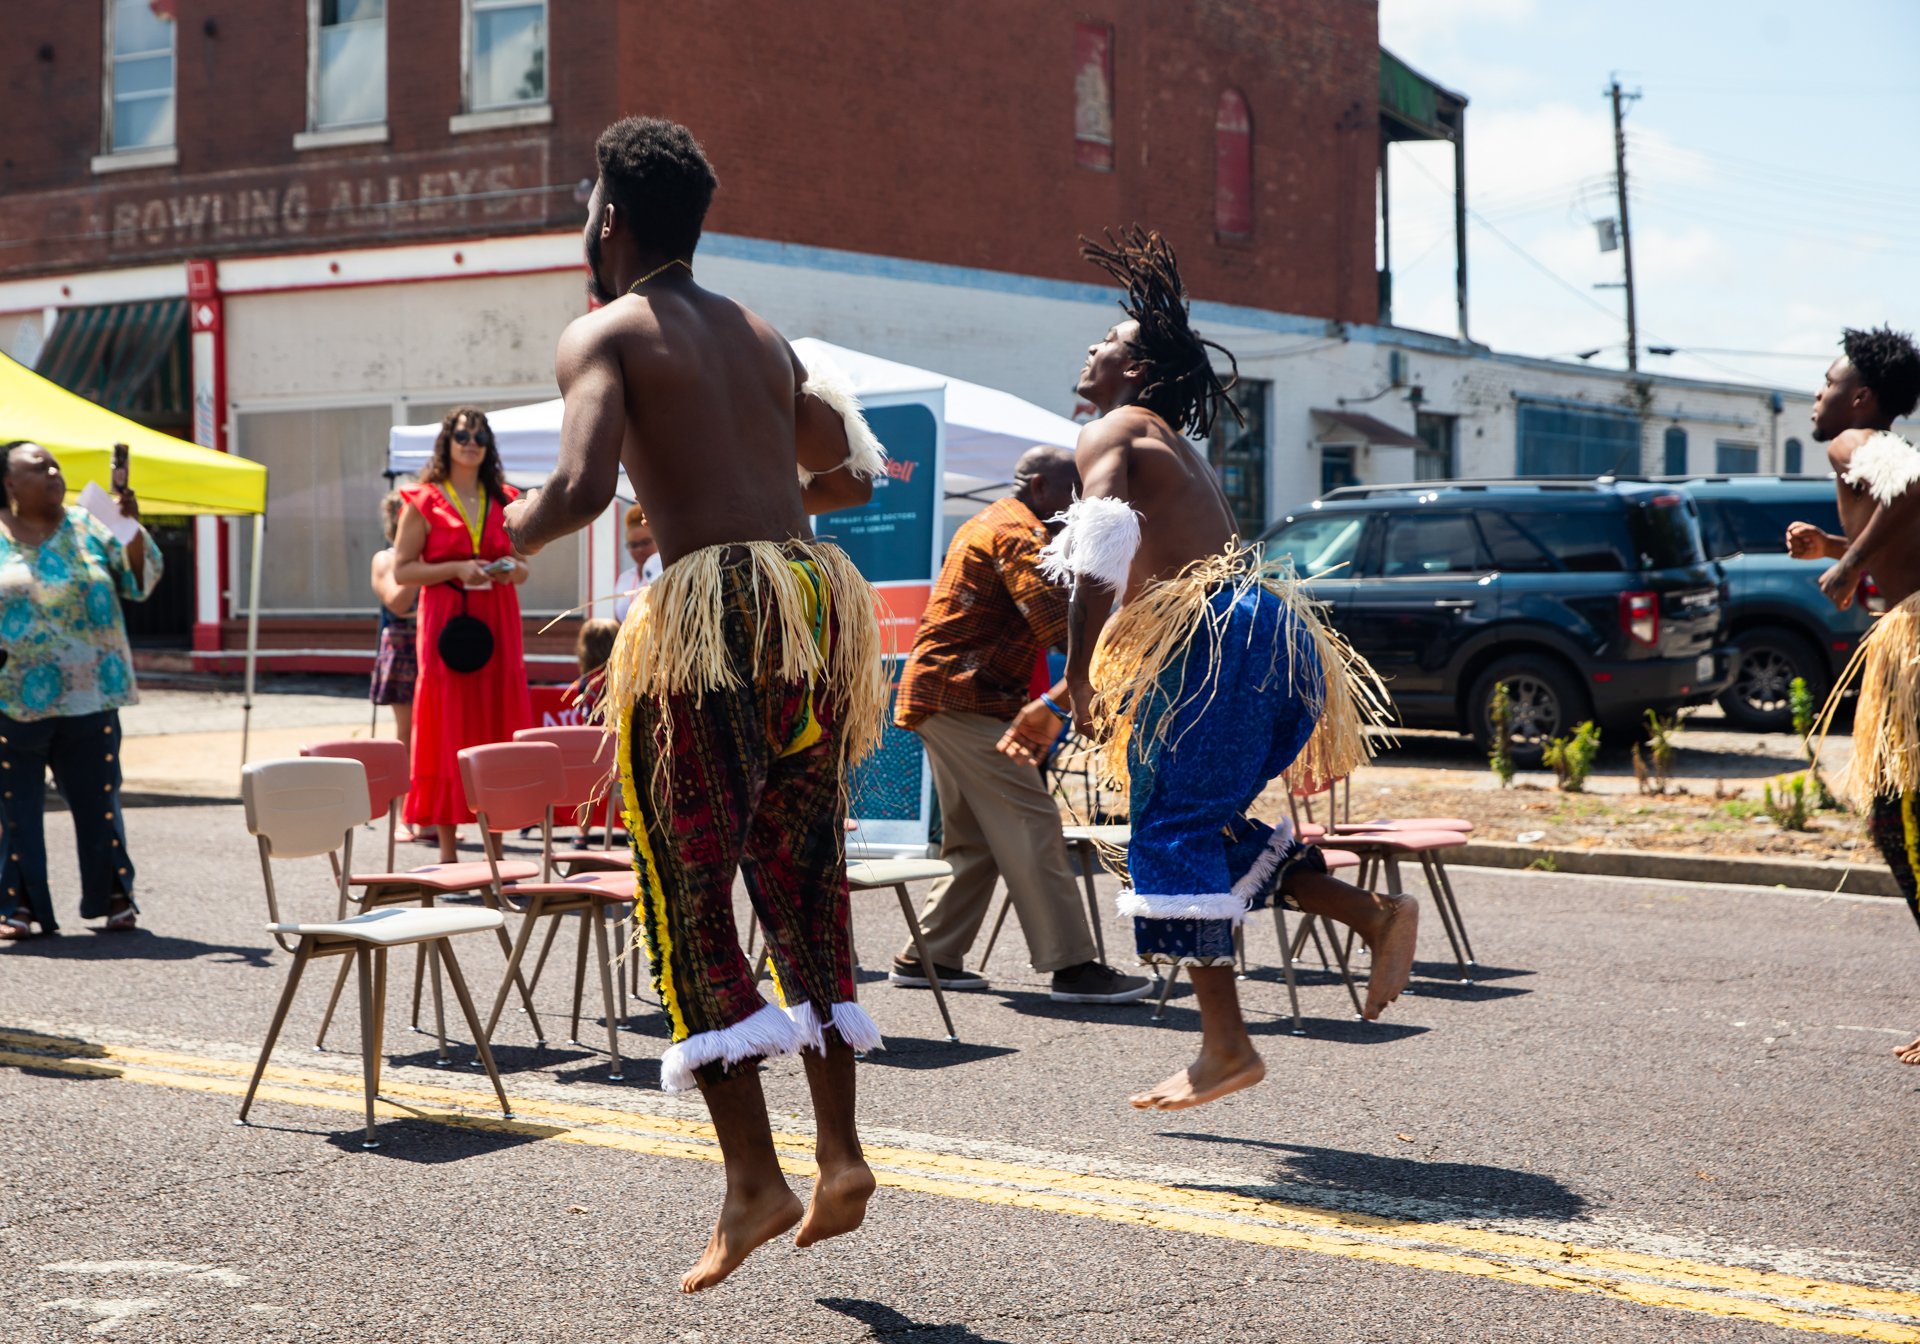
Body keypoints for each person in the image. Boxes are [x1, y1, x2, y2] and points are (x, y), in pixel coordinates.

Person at [503, 117, 889, 1292]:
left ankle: (752, 1181)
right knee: (805, 882)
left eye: (585, 208)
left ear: (609, 218)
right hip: (813, 611)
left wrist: (489, 542)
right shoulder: (762, 334)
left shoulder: (603, 331)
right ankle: (839, 1153)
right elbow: (845, 460)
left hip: (712, 622)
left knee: (685, 891)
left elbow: (574, 487)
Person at [1047, 228, 1419, 1110]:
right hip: (1265, 640)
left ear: (1133, 373)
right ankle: (1370, 916)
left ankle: (1226, 1047)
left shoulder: (1115, 428)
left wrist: (1076, 676)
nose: (1091, 349)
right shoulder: (1171, 440)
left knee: (1168, 832)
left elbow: (1099, 547)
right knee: (1198, 826)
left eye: (1107, 342)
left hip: (1212, 644)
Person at [891, 444, 1151, 1003]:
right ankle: (1074, 967)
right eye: (1073, 494)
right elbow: (1064, 626)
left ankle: (929, 956)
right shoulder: (1020, 533)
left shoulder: (989, 520)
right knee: (1033, 821)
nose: (1080, 507)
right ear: (1038, 487)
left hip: (950, 693)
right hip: (964, 695)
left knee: (977, 837)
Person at [1783, 324, 1920, 1067]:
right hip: (1909, 633)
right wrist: (1836, 549)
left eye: (1826, 383)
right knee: (1899, 819)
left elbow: (1919, 482)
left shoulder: (1853, 442)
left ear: (1860, 396)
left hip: (1914, 643)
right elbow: (1908, 523)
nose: (1817, 395)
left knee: (1899, 820)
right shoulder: (1865, 454)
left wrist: (1848, 567)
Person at [0, 441, 160, 938]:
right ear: (8, 483)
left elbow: (140, 581)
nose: (53, 471)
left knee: (99, 799)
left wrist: (130, 527)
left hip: (92, 691)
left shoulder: (92, 521)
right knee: (15, 806)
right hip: (12, 696)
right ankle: (19, 908)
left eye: (55, 465)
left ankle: (113, 898)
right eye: (37, 467)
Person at [391, 409, 534, 863]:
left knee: (497, 723)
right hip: (446, 618)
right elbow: (402, 569)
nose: (470, 442)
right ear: (447, 443)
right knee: (446, 723)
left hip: (497, 616)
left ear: (488, 445)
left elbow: (526, 564)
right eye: (461, 435)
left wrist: (512, 570)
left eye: (478, 435)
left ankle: (497, 853)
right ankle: (449, 855)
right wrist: (455, 567)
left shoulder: (507, 499)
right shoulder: (423, 500)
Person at [369, 488, 421, 840]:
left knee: (432, 732)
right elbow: (398, 602)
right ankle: (404, 815)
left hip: (432, 642)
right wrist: (419, 565)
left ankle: (429, 811)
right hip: (402, 645)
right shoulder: (385, 559)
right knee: (406, 735)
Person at [613, 503, 661, 622]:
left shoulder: (665, 573)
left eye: (645, 542)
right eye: (633, 545)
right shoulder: (624, 579)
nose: (640, 550)